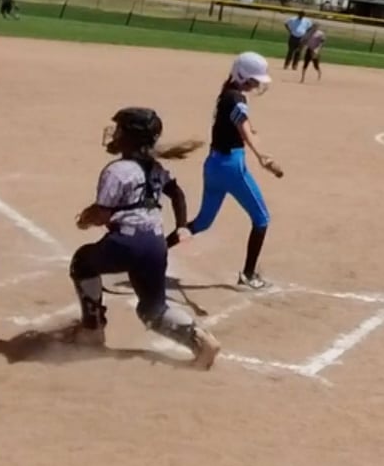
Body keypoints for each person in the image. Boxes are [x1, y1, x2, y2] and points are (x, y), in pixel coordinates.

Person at [66, 107, 220, 369]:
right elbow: (177, 194)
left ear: (130, 137)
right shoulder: (155, 168)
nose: (115, 134)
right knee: (153, 309)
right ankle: (201, 341)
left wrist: (85, 219)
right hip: (155, 245)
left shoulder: (117, 171)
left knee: (82, 261)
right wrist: (181, 226)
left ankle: (92, 330)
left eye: (120, 130)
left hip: (126, 242)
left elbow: (103, 213)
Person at [184, 52, 284, 290]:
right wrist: (262, 156)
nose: (256, 84)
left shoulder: (227, 94)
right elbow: (243, 127)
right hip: (231, 168)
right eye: (254, 80)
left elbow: (242, 124)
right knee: (261, 218)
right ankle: (248, 274)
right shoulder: (236, 98)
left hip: (214, 165)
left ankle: (153, 253)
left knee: (202, 222)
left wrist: (253, 135)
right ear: (242, 76)